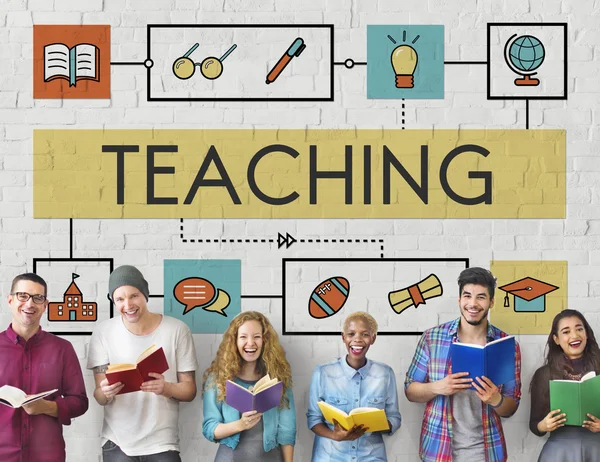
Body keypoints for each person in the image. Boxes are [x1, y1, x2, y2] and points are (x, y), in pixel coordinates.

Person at [405, 267, 521, 462]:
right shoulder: (432, 338)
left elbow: (511, 407)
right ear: (459, 300)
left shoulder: (507, 346)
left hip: (486, 452)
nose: (473, 304)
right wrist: (438, 387)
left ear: (492, 302)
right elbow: (410, 390)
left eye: (481, 297)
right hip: (438, 450)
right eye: (467, 296)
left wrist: (495, 399)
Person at [87, 265, 198, 461]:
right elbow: (99, 396)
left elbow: (190, 391)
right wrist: (105, 392)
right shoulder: (103, 332)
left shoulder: (177, 330)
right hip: (117, 443)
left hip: (163, 443)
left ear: (145, 294)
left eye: (134, 296)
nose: (127, 304)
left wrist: (167, 388)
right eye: (120, 299)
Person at [0, 272, 88, 462]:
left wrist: (47, 407)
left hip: (47, 456)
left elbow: (80, 402)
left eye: (37, 298)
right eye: (22, 296)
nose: (29, 303)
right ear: (10, 300)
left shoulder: (62, 348)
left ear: (45, 305)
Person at [307, 311, 402, 462]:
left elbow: (394, 417)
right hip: (330, 456)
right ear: (343, 337)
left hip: (371, 457)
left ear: (373, 338)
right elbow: (313, 419)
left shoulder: (385, 374)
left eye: (364, 334)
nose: (357, 339)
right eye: (351, 334)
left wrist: (379, 424)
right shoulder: (323, 373)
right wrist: (335, 435)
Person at [202, 311, 296, 462]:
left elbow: (287, 430)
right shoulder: (217, 379)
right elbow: (209, 428)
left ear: (265, 341)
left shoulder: (279, 379)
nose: (250, 343)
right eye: (243, 337)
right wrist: (241, 424)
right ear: (234, 341)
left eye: (257, 337)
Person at [529, 309, 600, 461]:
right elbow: (534, 425)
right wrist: (544, 425)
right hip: (559, 451)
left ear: (586, 333)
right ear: (556, 339)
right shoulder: (544, 374)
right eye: (566, 332)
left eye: (579, 329)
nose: (574, 336)